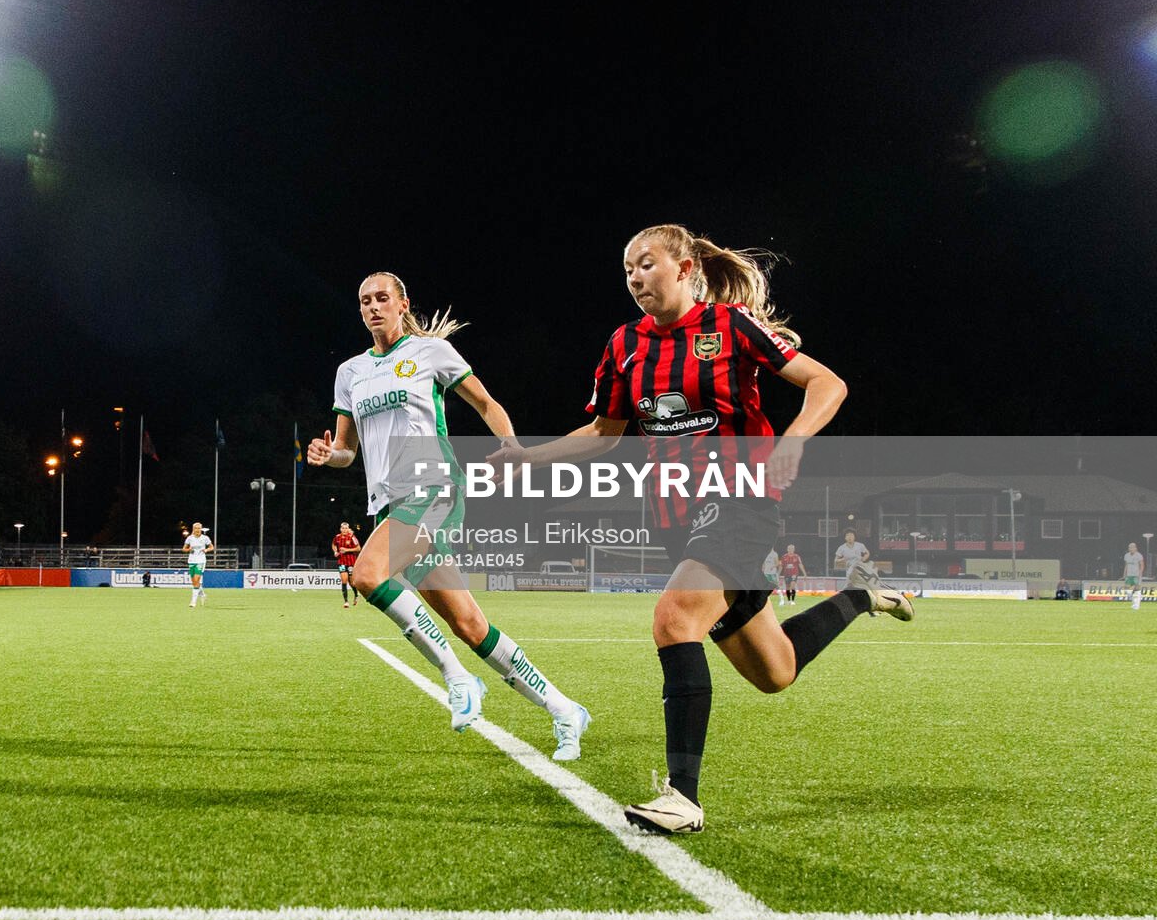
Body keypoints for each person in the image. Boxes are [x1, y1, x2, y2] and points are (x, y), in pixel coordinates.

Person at [510, 224, 909, 835]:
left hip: (741, 501)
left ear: (686, 266)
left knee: (673, 618)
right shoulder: (623, 345)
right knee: (774, 672)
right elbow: (605, 432)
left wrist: (794, 441)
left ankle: (682, 797)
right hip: (675, 518)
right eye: (627, 271)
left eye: (646, 264)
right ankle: (859, 596)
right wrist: (529, 458)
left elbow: (827, 383)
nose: (635, 278)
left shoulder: (731, 327)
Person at [307, 271, 591, 757]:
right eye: (364, 301)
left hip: (434, 487)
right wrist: (326, 454)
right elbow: (347, 452)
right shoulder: (350, 372)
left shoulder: (430, 352)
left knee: (368, 574)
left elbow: (485, 401)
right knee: (469, 625)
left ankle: (457, 678)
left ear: (402, 303)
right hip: (389, 503)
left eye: (382, 298)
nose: (373, 306)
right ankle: (564, 709)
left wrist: (511, 446)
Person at [331, 521, 361, 608]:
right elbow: (333, 544)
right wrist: (335, 551)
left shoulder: (352, 537)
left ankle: (356, 594)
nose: (344, 530)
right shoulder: (337, 537)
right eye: (343, 528)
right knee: (344, 581)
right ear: (340, 529)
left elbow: (358, 548)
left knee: (351, 582)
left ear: (348, 529)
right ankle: (346, 601)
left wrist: (347, 550)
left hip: (351, 562)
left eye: (346, 528)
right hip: (342, 562)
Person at [183, 522, 211, 607]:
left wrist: (206, 550)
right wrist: (189, 550)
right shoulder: (189, 538)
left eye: (199, 528)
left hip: (201, 560)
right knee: (194, 582)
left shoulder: (205, 538)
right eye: (196, 528)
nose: (198, 530)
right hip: (191, 561)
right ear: (193, 529)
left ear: (201, 529)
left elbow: (211, 547)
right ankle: (202, 594)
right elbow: (184, 549)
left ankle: (193, 601)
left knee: (196, 579)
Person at [1125, 542, 1145, 611]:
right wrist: (1124, 574)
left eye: (1132, 547)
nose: (1130, 549)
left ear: (1135, 548)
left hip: (1136, 575)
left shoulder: (1139, 555)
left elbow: (1142, 565)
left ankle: (1136, 605)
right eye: (1129, 547)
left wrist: (1140, 574)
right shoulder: (1126, 555)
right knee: (1128, 590)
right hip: (1129, 575)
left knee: (1136, 590)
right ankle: (1134, 603)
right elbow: (1126, 565)